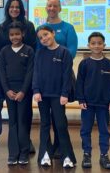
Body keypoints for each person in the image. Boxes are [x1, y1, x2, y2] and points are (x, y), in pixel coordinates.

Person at [0, 0, 37, 154]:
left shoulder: (29, 26)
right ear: (7, 9)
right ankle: (15, 145)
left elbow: (33, 48)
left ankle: (26, 140)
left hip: (25, 76)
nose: (14, 9)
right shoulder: (1, 28)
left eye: (17, 7)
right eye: (11, 7)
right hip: (9, 77)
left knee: (26, 113)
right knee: (13, 115)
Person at [39, 0, 78, 158]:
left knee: (59, 115)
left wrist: (57, 61)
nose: (52, 8)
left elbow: (72, 50)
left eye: (55, 6)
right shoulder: (41, 28)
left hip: (62, 75)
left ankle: (60, 146)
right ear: (46, 8)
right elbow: (38, 52)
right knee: (46, 119)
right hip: (45, 77)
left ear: (60, 8)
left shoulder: (68, 28)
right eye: (49, 5)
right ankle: (48, 149)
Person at [33, 25, 76, 168]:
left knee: (60, 125)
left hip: (58, 96)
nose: (44, 39)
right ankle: (45, 154)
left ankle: (67, 156)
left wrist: (65, 93)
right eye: (40, 38)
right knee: (45, 124)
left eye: (45, 35)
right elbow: (36, 74)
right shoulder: (39, 54)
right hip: (43, 96)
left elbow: (67, 76)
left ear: (52, 33)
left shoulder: (64, 53)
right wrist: (36, 90)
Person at [76, 32, 110, 169]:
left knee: (104, 131)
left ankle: (104, 156)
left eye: (99, 43)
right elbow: (79, 83)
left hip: (104, 105)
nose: (96, 46)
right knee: (85, 130)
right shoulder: (84, 64)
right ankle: (87, 154)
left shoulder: (109, 64)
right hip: (87, 104)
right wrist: (81, 99)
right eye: (93, 43)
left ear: (104, 45)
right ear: (88, 45)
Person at [0, 21, 34, 165]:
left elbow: (30, 73)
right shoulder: (4, 51)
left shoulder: (29, 50)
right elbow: (1, 72)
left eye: (17, 34)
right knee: (12, 122)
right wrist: (7, 90)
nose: (15, 37)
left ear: (23, 34)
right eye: (12, 35)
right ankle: (13, 153)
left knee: (23, 121)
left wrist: (23, 91)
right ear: (8, 36)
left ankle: (24, 153)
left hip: (24, 93)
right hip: (10, 93)